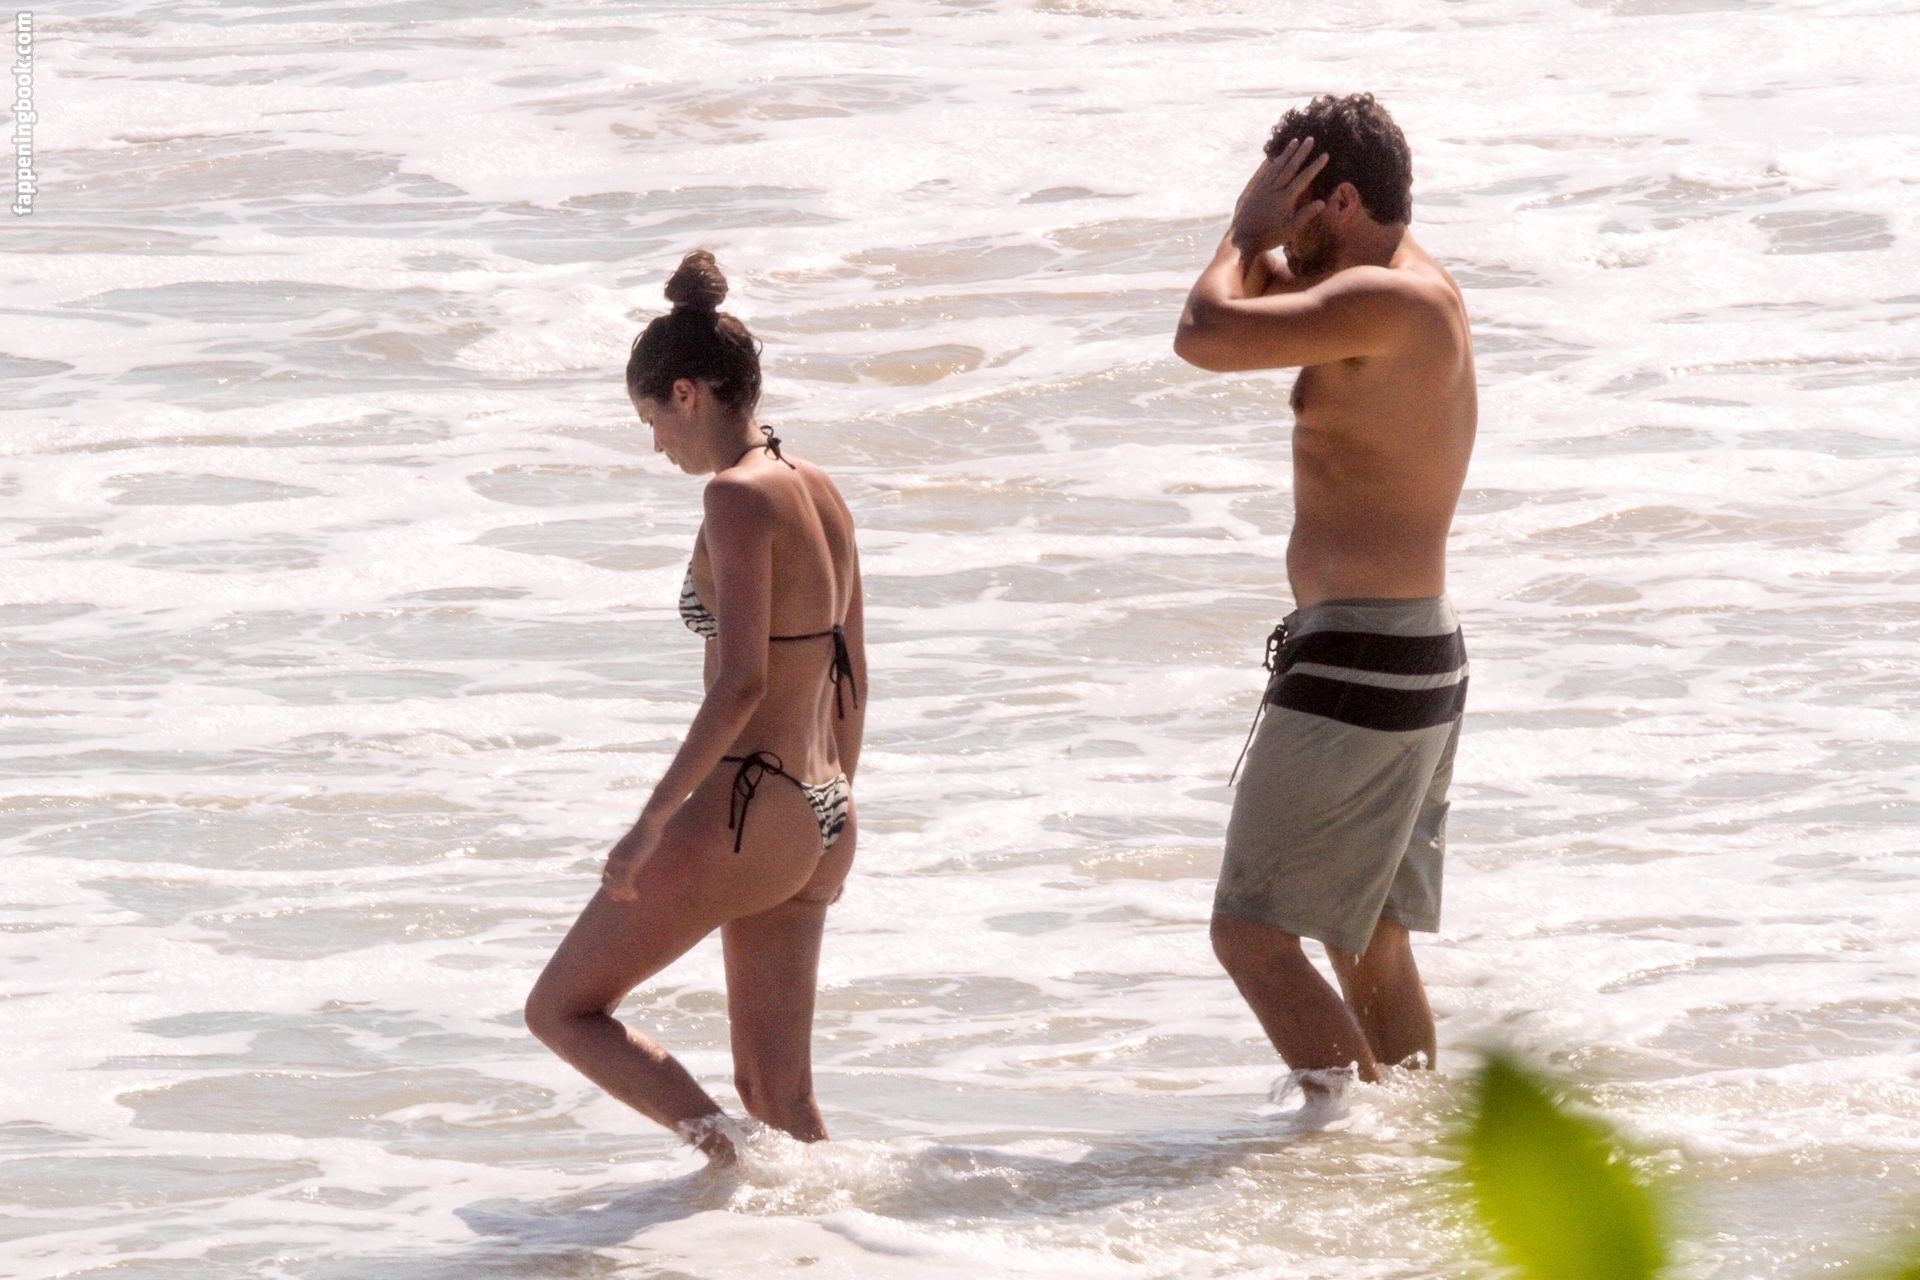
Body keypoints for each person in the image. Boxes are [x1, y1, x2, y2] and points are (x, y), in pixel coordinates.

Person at [525, 250, 866, 1162]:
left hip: (746, 807)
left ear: (687, 393)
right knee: (781, 1098)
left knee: (561, 1010)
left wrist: (650, 823)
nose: (655, 446)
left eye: (650, 420)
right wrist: (833, 807)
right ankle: (821, 1225)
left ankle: (741, 1173)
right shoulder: (815, 485)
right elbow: (851, 669)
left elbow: (742, 679)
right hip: (822, 807)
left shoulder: (735, 496)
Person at [1173, 94, 1477, 1108]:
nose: (1279, 233)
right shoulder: (1389, 288)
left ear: (1340, 201)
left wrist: (1242, 229)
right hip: (1400, 648)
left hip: (1364, 657)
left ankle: (1349, 1147)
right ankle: (1416, 1153)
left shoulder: (1390, 301)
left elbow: (1205, 331)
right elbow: (1258, 299)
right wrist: (1267, 235)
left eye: (1296, 204)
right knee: (1369, 938)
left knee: (1248, 933)